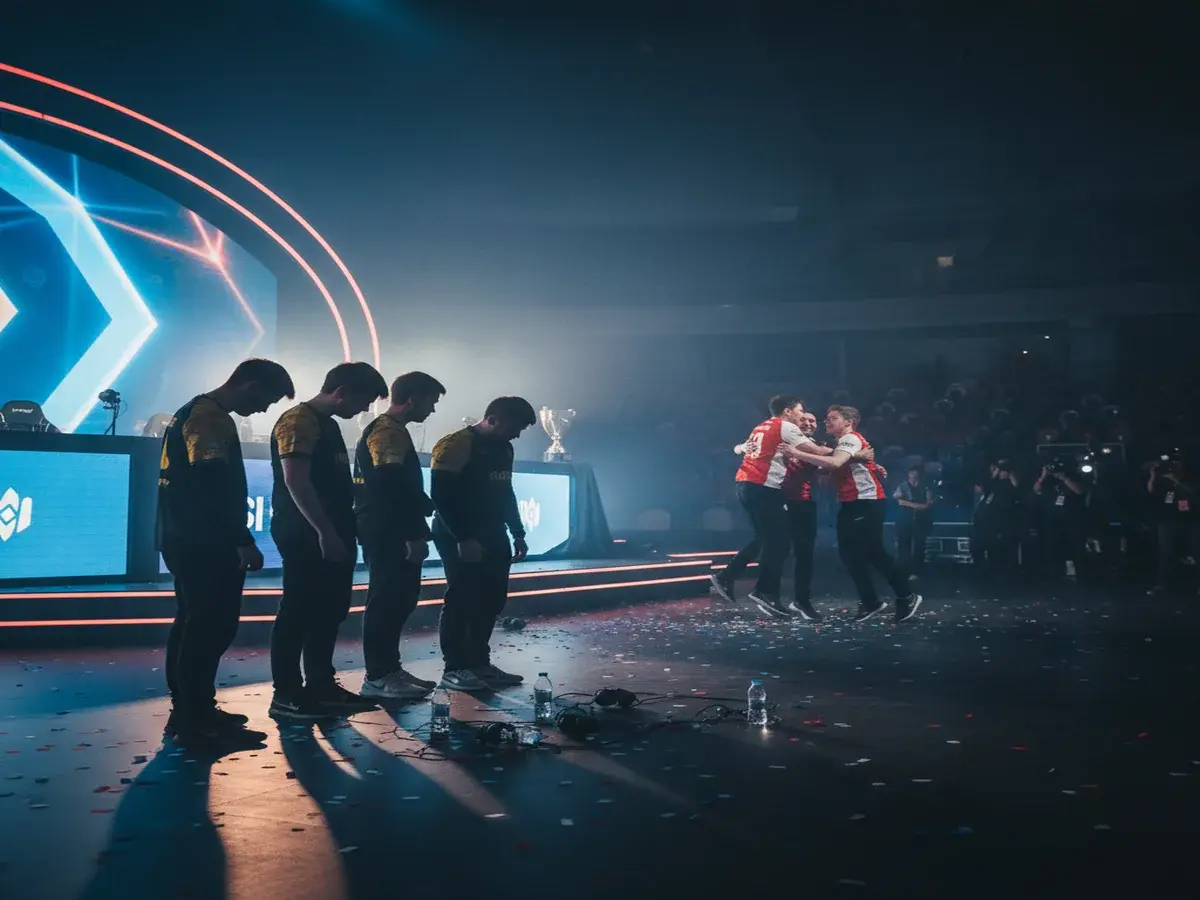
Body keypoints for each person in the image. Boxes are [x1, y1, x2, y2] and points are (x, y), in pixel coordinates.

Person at [158, 358, 295, 744]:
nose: (264, 410)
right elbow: (212, 486)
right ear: (250, 385)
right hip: (205, 542)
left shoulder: (194, 411)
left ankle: (192, 710)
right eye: (266, 400)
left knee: (192, 625)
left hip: (186, 537)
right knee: (208, 629)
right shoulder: (210, 418)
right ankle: (196, 721)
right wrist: (241, 539)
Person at [268, 362, 389, 719]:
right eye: (364, 400)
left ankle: (321, 685)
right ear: (341, 392)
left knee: (329, 611)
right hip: (306, 531)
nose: (364, 409)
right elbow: (296, 481)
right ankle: (287, 693)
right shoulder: (298, 421)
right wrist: (324, 531)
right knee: (298, 611)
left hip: (334, 529)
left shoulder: (329, 424)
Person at [718, 397, 875, 618]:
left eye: (813, 421)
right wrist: (741, 447)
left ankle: (798, 600)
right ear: (792, 417)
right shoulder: (786, 437)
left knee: (800, 552)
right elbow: (748, 446)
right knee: (772, 542)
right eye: (804, 417)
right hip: (779, 497)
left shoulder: (810, 445)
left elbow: (827, 467)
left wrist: (865, 465)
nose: (808, 422)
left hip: (802, 502)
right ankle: (761, 590)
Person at [429, 396, 536, 692]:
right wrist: (463, 538)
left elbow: (506, 491)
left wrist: (518, 532)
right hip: (457, 532)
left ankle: (479, 663)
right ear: (492, 419)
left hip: (493, 531)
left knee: (492, 598)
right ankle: (454, 668)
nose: (517, 435)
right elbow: (441, 496)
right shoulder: (455, 444)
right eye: (514, 427)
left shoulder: (505, 447)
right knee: (462, 598)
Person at [354, 371, 446, 701]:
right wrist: (413, 534)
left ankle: (389, 669)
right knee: (387, 601)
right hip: (387, 530)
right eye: (430, 402)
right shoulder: (387, 432)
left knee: (398, 599)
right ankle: (378, 675)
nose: (431, 410)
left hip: (388, 527)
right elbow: (389, 486)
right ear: (412, 399)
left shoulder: (392, 430)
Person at [784, 405, 922, 623]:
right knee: (851, 555)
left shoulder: (850, 438)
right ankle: (872, 602)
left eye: (833, 418)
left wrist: (796, 453)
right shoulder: (842, 444)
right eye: (827, 418)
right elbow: (827, 466)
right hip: (852, 503)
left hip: (865, 501)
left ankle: (905, 595)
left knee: (872, 552)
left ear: (848, 422)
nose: (826, 422)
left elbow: (834, 462)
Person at [1146, 453, 1195, 593]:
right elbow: (1151, 490)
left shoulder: (1189, 480)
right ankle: (1163, 583)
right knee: (1166, 553)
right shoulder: (1165, 484)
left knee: (1193, 552)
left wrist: (1175, 479)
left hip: (1188, 522)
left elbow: (1191, 493)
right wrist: (1153, 475)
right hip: (1167, 522)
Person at [1032, 460, 1087, 580]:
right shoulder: (1048, 481)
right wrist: (1043, 476)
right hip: (1053, 520)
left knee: (1075, 549)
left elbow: (1080, 490)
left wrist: (1064, 478)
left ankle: (1079, 575)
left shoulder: (1074, 477)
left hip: (1072, 520)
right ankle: (1057, 575)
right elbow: (1036, 490)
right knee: (1055, 549)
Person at [894, 465, 934, 575]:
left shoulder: (926, 487)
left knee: (919, 547)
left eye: (915, 473)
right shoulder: (902, 486)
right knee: (903, 546)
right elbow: (898, 499)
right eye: (911, 473)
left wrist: (910, 504)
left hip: (920, 521)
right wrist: (914, 505)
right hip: (904, 520)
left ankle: (917, 571)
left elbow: (927, 505)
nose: (913, 475)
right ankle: (902, 570)